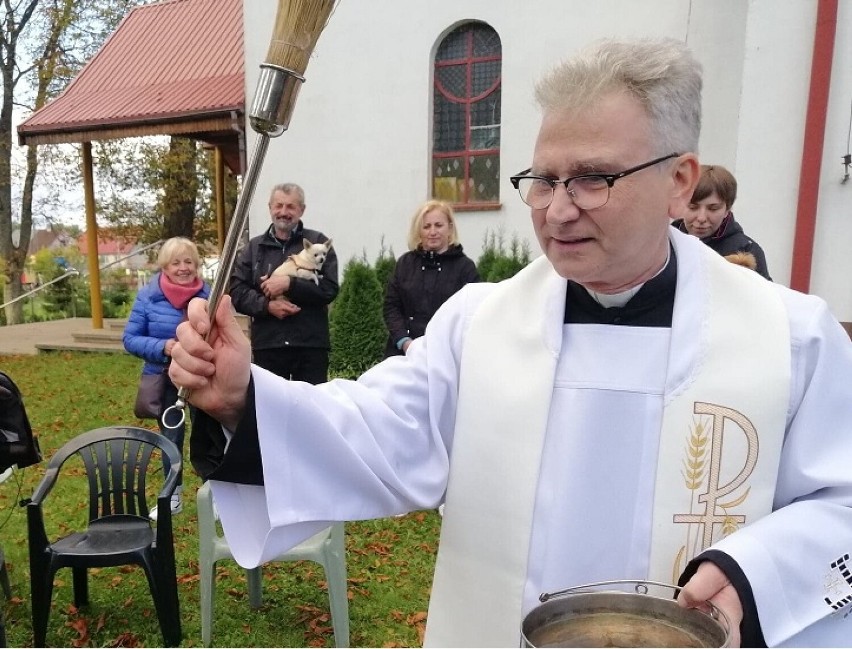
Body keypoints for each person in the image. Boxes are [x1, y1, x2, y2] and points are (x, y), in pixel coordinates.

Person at [170, 38, 852, 647]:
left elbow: (844, 506)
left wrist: (747, 574)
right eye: (544, 180)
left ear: (679, 181)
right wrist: (243, 398)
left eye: (592, 178)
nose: (558, 209)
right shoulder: (483, 323)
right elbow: (376, 427)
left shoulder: (790, 339)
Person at [123, 236, 210, 520]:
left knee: (207, 435)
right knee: (171, 437)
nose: (183, 268)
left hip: (201, 377)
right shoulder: (148, 296)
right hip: (164, 377)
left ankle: (215, 494)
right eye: (176, 262)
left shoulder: (209, 294)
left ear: (197, 266)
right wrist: (164, 347)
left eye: (189, 262)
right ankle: (172, 494)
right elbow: (130, 339)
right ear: (165, 266)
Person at [228, 183, 338, 384]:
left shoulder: (318, 243)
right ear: (270, 207)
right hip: (269, 345)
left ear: (301, 210)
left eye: (291, 207)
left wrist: (291, 284)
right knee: (270, 412)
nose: (283, 212)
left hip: (309, 346)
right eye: (278, 206)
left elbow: (329, 289)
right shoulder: (254, 248)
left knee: (311, 412)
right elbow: (237, 291)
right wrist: (266, 306)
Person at [383, 200, 479, 357]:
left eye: (438, 225)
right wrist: (405, 342)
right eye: (427, 226)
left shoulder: (465, 268)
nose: (433, 232)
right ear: (418, 231)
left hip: (447, 355)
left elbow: (472, 314)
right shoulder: (405, 264)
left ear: (450, 228)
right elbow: (391, 307)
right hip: (403, 353)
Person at [672, 164, 772, 279]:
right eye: (692, 207)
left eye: (713, 208)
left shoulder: (748, 250)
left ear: (727, 210)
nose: (701, 218)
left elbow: (764, 295)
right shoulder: (665, 243)